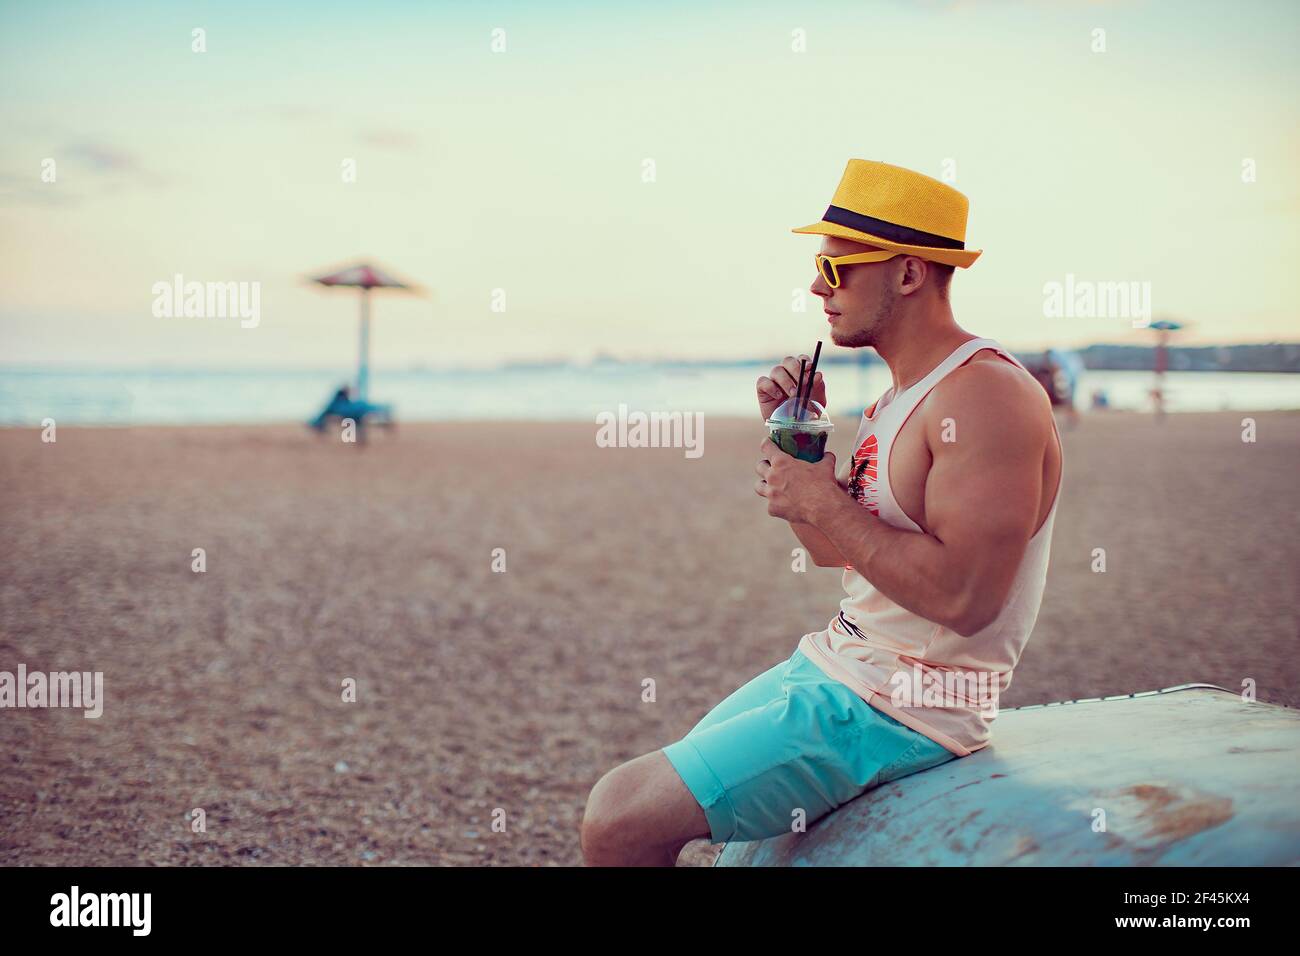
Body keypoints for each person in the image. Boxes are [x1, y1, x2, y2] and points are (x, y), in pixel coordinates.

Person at [581, 160, 1063, 866]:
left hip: (907, 706)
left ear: (907, 274)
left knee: (617, 820)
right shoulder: (894, 399)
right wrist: (794, 441)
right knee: (663, 806)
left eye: (836, 269)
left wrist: (822, 502)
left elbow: (967, 600)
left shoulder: (983, 396)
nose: (815, 286)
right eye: (818, 266)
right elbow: (832, 553)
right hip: (838, 662)